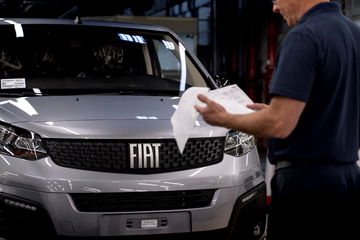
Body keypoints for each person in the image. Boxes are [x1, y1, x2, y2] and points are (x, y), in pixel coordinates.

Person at [195, 0, 360, 239]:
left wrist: (224, 118)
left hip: (308, 188)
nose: (275, 8)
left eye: (276, 0)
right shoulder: (354, 34)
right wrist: (272, 111)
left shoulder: (304, 36)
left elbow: (279, 125)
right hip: (348, 181)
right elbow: (331, 104)